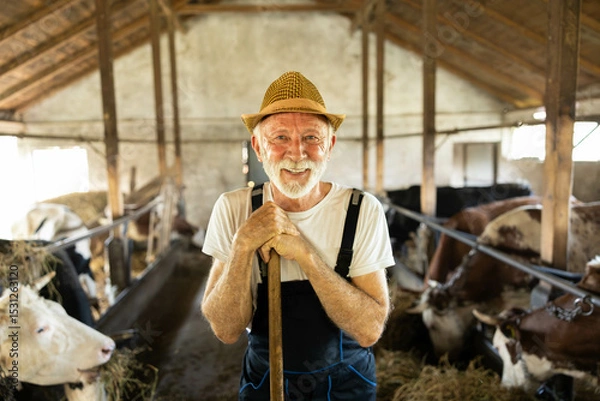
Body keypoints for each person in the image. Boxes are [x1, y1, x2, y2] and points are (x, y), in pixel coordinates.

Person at [201, 71, 394, 401]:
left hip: (347, 387)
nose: (296, 153)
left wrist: (306, 256)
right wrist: (243, 245)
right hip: (267, 385)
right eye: (279, 138)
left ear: (329, 146)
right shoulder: (234, 208)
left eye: (311, 138)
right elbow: (226, 329)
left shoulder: (361, 210)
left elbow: (368, 330)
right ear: (258, 148)